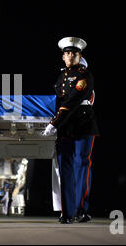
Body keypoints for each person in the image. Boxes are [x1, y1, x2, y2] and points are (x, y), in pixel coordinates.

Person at [42, 37, 99, 224]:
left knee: (81, 166)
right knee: (65, 168)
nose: (70, 56)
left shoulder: (85, 75)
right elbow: (58, 101)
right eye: (67, 53)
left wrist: (54, 123)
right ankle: (67, 212)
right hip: (66, 126)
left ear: (79, 56)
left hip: (83, 124)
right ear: (63, 57)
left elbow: (73, 100)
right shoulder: (61, 76)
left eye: (74, 53)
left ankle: (81, 209)